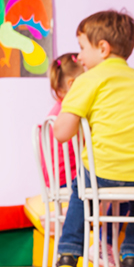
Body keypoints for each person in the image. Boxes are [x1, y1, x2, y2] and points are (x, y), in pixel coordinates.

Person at [52, 10, 134, 267]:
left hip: (103, 172)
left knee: (80, 190)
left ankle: (67, 256)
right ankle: (132, 258)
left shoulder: (88, 80)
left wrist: (59, 121)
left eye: (82, 48)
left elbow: (62, 133)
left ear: (102, 48)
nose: (79, 57)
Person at [43, 53, 83, 189]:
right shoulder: (71, 112)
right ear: (72, 84)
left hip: (53, 180)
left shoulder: (57, 109)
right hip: (68, 179)